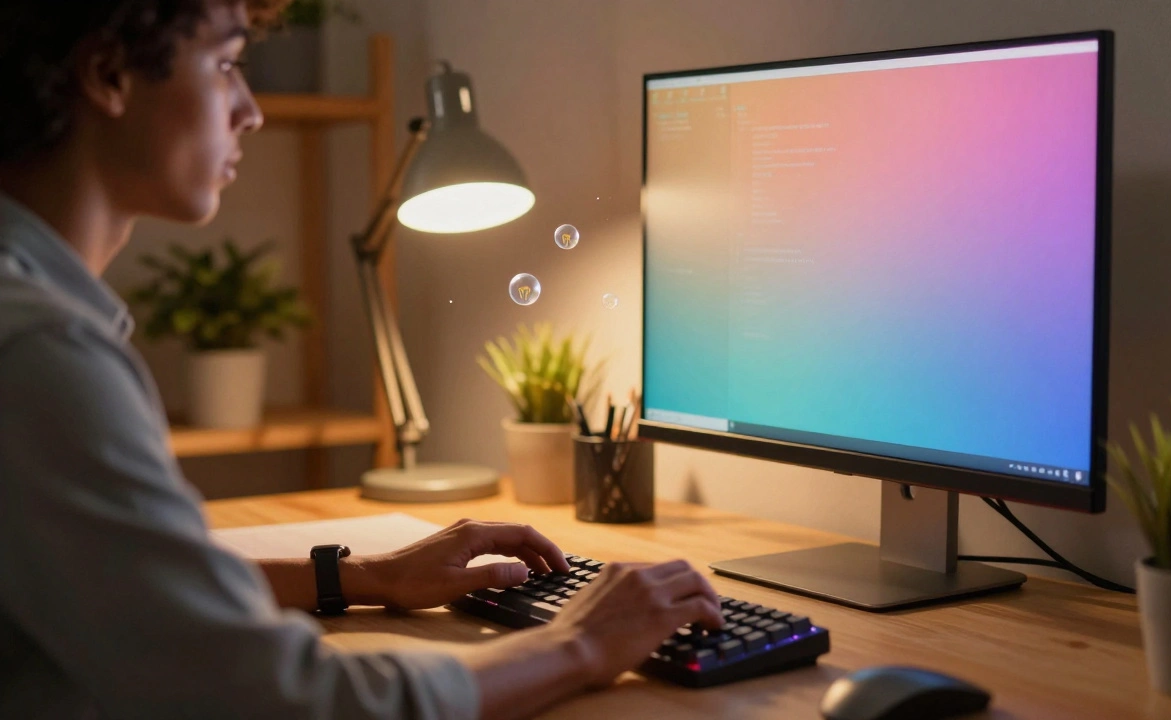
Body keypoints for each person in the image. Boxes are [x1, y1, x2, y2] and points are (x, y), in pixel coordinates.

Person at [0, 1, 723, 718]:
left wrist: (361, 575)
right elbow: (283, 701)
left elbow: (140, 594)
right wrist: (580, 646)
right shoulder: (39, 351)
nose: (250, 110)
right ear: (108, 73)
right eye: (226, 63)